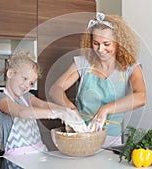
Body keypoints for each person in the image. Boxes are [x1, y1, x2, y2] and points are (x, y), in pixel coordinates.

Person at [49, 12, 147, 147]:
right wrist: (71, 110)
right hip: (81, 136)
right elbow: (55, 89)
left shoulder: (130, 67)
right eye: (96, 43)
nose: (100, 49)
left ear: (119, 43)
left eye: (106, 44)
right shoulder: (83, 64)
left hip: (111, 140)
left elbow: (141, 97)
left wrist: (105, 109)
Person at [0, 51, 82, 155]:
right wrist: (57, 113)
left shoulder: (27, 97)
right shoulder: (0, 98)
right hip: (17, 157)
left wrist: (65, 110)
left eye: (31, 83)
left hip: (40, 152)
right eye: (24, 78)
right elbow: (21, 112)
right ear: (10, 73)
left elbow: (44, 105)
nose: (27, 86)